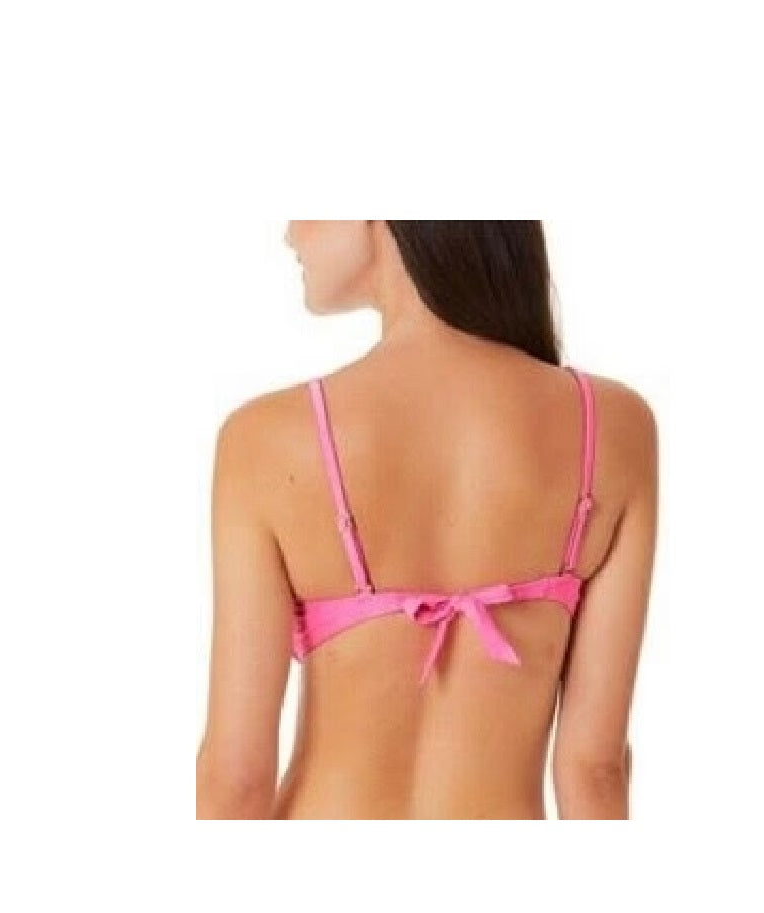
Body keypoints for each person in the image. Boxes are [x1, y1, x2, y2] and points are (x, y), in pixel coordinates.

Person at [195, 221, 658, 820]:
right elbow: (595, 770)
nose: (289, 231)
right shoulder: (611, 427)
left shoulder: (267, 437)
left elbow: (235, 778)